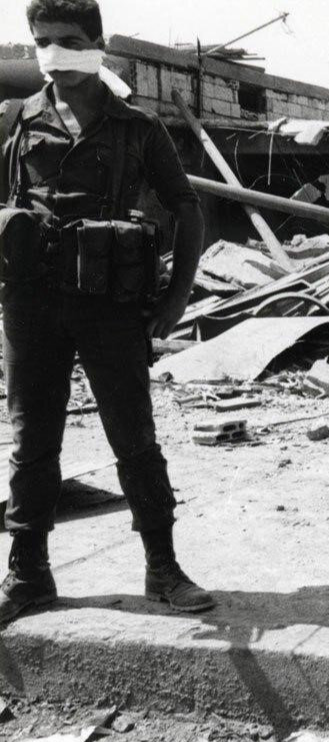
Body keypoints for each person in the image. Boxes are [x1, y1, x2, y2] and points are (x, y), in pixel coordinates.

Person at [0, 0, 209, 622]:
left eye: (69, 41)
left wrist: (176, 297)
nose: (54, 55)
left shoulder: (138, 128)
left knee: (133, 436)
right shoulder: (16, 121)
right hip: (32, 304)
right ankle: (28, 575)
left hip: (110, 305)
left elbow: (187, 208)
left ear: (97, 44)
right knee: (33, 440)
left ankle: (163, 569)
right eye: (42, 42)